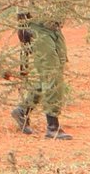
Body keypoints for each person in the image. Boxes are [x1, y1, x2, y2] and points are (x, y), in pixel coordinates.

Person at [11, 10, 73, 140]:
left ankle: (23, 110)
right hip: (39, 28)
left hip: (55, 28)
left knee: (53, 74)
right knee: (51, 74)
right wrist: (23, 30)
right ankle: (52, 127)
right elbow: (22, 5)